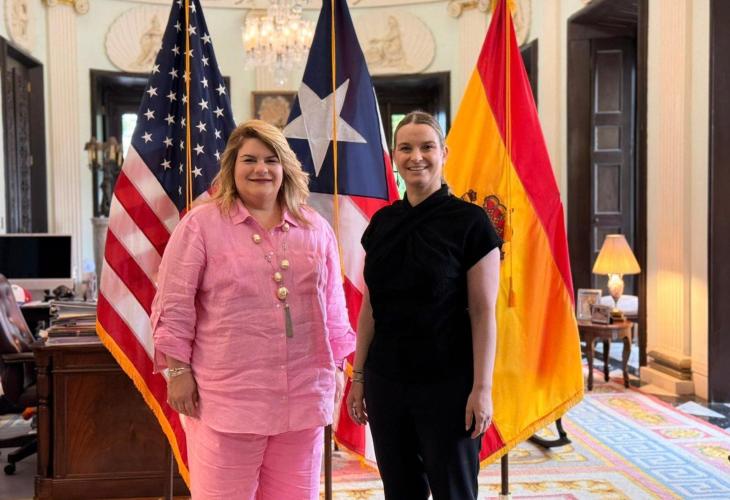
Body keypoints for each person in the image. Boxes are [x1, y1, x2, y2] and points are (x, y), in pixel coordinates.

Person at [151, 120, 354, 499]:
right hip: (226, 401)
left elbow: (334, 308)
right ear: (232, 167)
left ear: (285, 167)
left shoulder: (315, 228)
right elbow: (174, 304)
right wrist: (177, 371)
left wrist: (338, 369)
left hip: (304, 399)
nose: (261, 168)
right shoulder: (200, 225)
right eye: (250, 160)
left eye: (271, 160)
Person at [346, 111, 501, 499]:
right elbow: (371, 308)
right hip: (386, 382)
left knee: (454, 491)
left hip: (449, 384)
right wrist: (359, 377)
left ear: (444, 153)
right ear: (394, 157)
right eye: (406, 148)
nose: (416, 157)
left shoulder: (472, 223)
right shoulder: (381, 223)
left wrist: (482, 389)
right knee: (400, 492)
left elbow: (484, 313)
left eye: (427, 147)